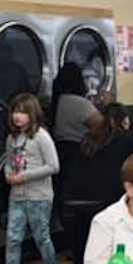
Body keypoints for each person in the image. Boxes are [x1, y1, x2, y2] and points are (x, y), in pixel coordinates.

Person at [64, 102, 133, 264]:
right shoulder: (129, 142)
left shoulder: (88, 139)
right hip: (103, 207)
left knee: (82, 262)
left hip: (73, 206)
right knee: (108, 263)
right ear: (125, 121)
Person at [0, 93, 63, 264]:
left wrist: (24, 176)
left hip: (39, 196)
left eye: (23, 112)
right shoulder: (12, 138)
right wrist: (8, 175)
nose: (17, 116)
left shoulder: (41, 136)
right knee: (13, 238)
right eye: (15, 111)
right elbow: (9, 162)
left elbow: (53, 166)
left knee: (42, 237)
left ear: (33, 114)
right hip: (17, 196)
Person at [51, 62, 101, 219]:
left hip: (60, 151)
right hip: (78, 153)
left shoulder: (57, 101)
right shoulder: (79, 103)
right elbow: (102, 126)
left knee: (64, 195)